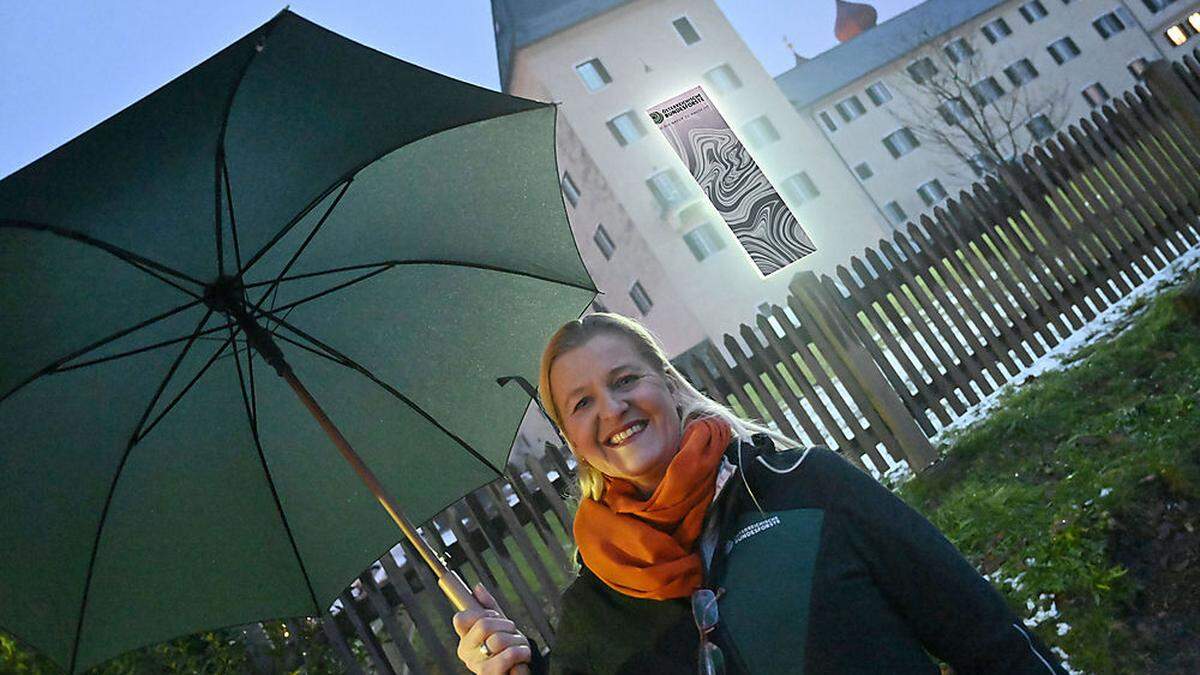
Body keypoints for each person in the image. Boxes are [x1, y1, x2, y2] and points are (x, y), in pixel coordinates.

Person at [453, 313, 1067, 674]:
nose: (612, 409)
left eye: (625, 380)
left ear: (667, 384)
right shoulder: (595, 607)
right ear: (572, 438)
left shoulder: (806, 486)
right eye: (582, 403)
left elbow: (978, 627)